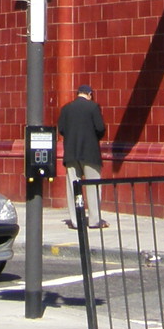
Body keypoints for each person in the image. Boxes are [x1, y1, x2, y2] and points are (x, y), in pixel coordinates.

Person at [57, 83, 107, 229]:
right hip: (90, 153)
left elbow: (62, 129)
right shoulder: (93, 107)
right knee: (93, 187)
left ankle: (76, 220)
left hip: (71, 153)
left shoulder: (66, 108)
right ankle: (94, 220)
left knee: (73, 187)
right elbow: (100, 128)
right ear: (89, 94)